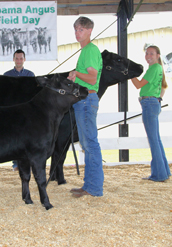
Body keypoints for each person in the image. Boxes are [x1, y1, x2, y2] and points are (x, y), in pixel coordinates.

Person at [67, 16, 104, 198]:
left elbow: (92, 78)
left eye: (80, 29)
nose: (77, 33)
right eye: (75, 29)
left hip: (87, 99)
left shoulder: (89, 50)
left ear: (90, 31)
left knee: (90, 144)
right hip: (84, 101)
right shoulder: (86, 51)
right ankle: (89, 185)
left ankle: (95, 187)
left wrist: (75, 73)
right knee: (87, 144)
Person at [131, 45, 171, 182]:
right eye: (147, 53)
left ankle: (159, 175)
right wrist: (158, 98)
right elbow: (163, 86)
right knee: (156, 140)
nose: (148, 56)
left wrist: (130, 74)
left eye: (151, 54)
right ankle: (164, 172)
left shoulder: (154, 68)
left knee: (154, 140)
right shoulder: (158, 68)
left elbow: (138, 85)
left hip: (148, 103)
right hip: (153, 102)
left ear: (158, 55)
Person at [4, 49, 35, 171]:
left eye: (21, 58)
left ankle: (27, 162)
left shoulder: (30, 75)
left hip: (26, 112)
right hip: (12, 112)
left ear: (24, 59)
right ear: (13, 59)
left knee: (28, 137)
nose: (19, 60)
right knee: (14, 137)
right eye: (17, 58)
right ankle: (16, 164)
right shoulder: (6, 75)